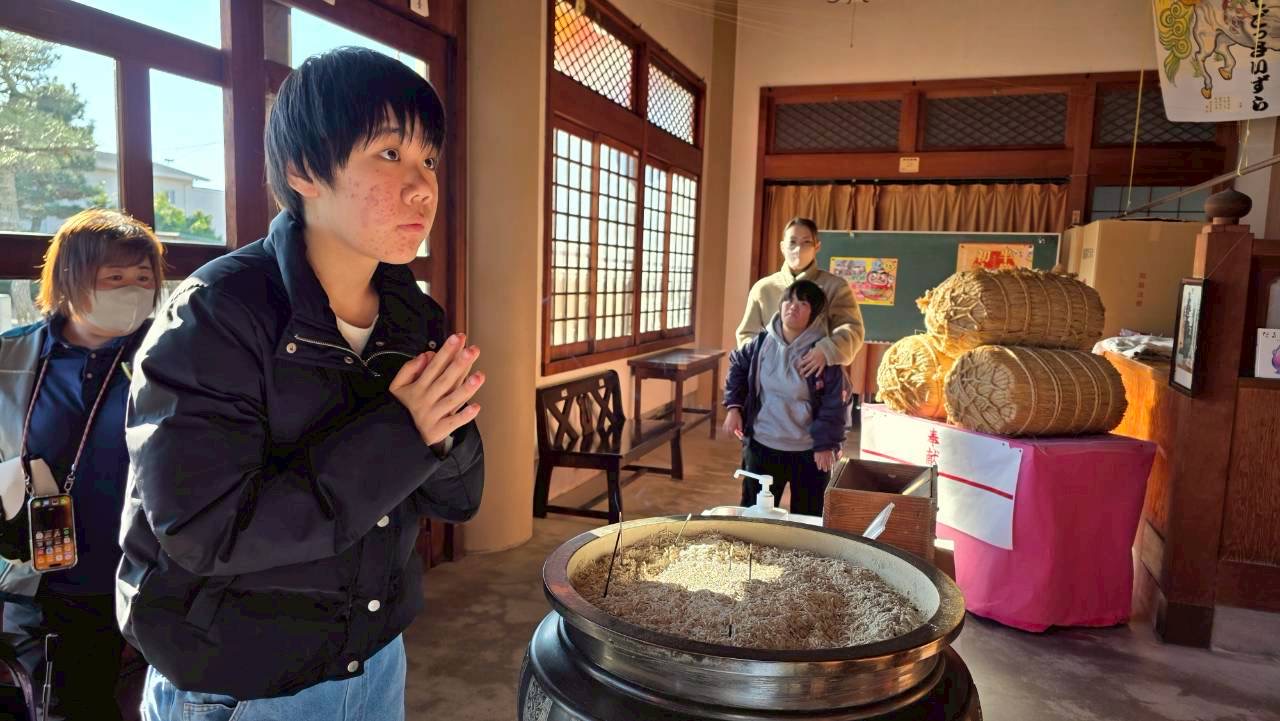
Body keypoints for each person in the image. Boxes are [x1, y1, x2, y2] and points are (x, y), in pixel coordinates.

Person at [117, 47, 485, 720]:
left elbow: (459, 500)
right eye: (390, 153)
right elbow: (205, 530)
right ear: (303, 171)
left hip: (375, 658)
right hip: (238, 684)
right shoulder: (217, 313)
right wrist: (405, 433)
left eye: (429, 160)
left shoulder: (414, 317)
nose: (423, 187)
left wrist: (444, 435)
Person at [0, 208, 165, 720]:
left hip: (147, 575)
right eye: (115, 277)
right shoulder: (11, 356)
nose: (133, 290)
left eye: (144, 278)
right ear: (69, 278)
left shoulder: (171, 356)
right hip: (40, 581)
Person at [723, 280, 849, 516]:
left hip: (809, 451)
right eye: (789, 300)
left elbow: (835, 404)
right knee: (755, 515)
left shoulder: (822, 354)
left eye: (803, 304)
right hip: (762, 445)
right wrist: (734, 408)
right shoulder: (761, 343)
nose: (793, 307)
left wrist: (825, 444)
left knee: (808, 517)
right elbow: (737, 368)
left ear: (814, 314)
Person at [735, 217, 865, 377]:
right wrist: (764, 358)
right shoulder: (763, 288)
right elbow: (747, 334)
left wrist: (827, 350)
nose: (798, 249)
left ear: (817, 247)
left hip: (816, 379)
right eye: (792, 242)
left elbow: (852, 329)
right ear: (782, 247)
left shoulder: (836, 287)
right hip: (768, 380)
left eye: (806, 242)